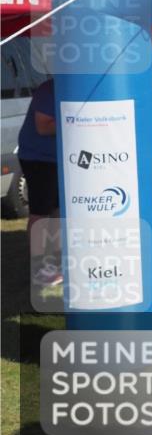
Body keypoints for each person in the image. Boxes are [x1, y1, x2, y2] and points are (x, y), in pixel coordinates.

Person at [18, 78, 62, 287]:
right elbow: (43, 127)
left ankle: (56, 262)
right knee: (40, 212)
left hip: (59, 157)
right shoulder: (49, 89)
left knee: (57, 211)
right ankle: (39, 267)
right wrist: (74, 118)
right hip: (38, 157)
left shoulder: (75, 86)